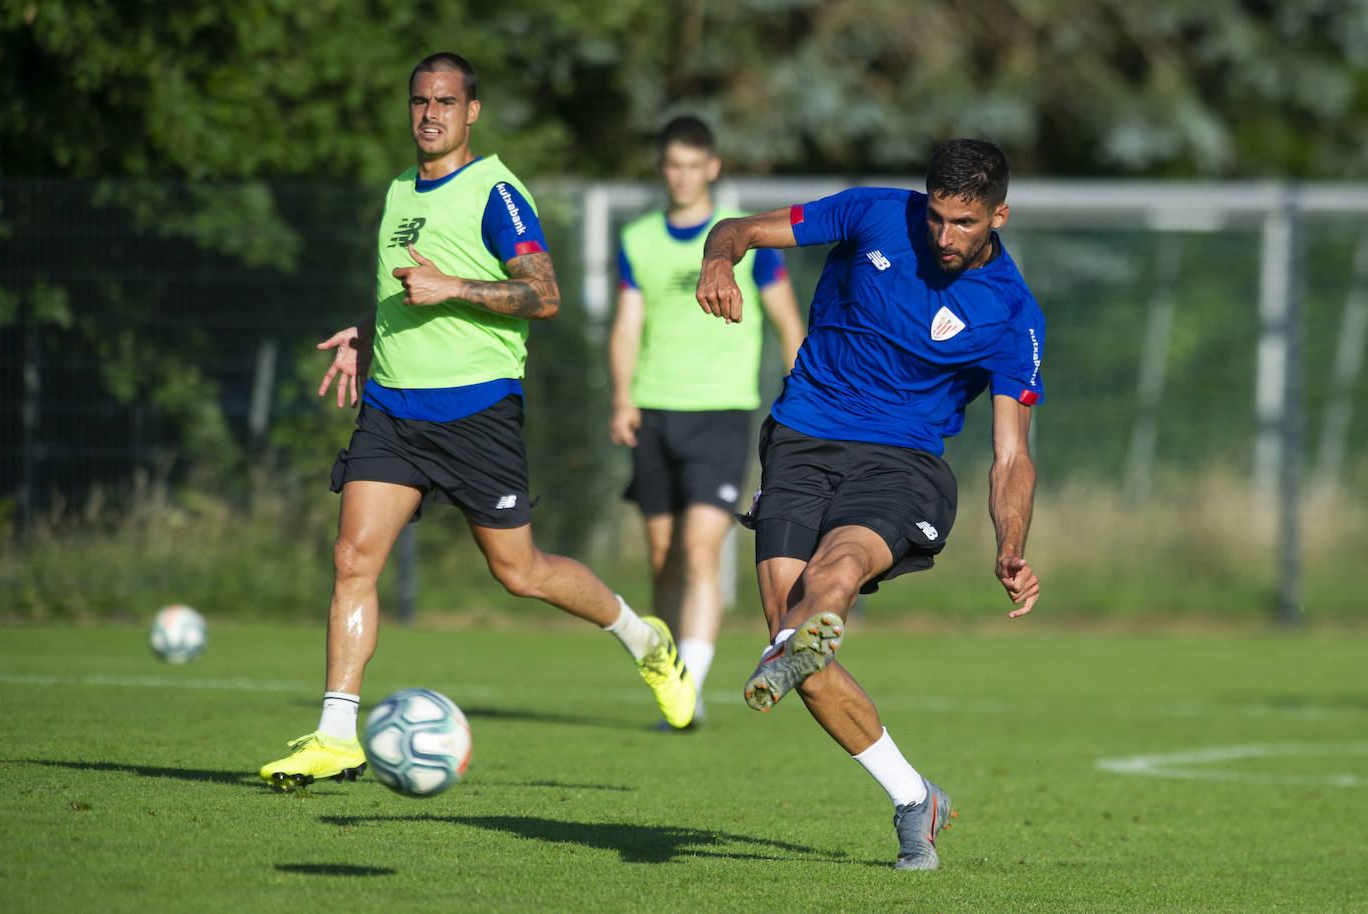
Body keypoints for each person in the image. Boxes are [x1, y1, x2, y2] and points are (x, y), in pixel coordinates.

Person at [260, 52, 695, 790]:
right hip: (394, 409)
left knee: (519, 573)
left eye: (445, 102)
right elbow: (410, 290)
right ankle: (337, 735)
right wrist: (372, 330)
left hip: (476, 412)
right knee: (351, 559)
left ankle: (642, 636)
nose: (430, 114)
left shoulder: (497, 191)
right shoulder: (400, 190)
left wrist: (451, 288)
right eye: (419, 101)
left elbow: (544, 295)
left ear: (472, 113)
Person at [694, 138, 1044, 869]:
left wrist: (1011, 544)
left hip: (904, 465)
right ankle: (916, 798)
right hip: (801, 439)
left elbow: (1011, 455)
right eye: (937, 218)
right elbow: (740, 230)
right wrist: (718, 262)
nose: (943, 238)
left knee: (837, 567)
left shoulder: (1011, 311)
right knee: (796, 649)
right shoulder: (873, 214)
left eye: (964, 224)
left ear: (998, 216)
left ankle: (809, 631)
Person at [608, 116, 804, 729]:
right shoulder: (638, 239)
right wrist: (621, 397)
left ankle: (687, 687)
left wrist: (803, 401)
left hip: (721, 410)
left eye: (695, 164)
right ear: (663, 169)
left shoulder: (743, 241)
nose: (684, 175)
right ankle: (669, 672)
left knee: (700, 551)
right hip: (654, 409)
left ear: (713, 168)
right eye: (673, 164)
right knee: (664, 555)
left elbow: (787, 324)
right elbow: (626, 325)